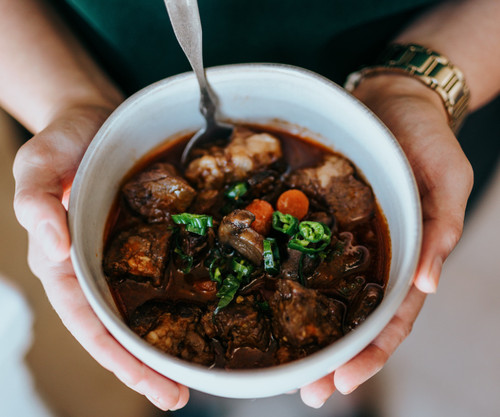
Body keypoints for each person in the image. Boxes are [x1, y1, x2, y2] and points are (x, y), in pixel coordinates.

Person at [1, 0, 498, 411]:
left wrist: (422, 82)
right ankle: (201, 394)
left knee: (363, 340)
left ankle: (334, 371)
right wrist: (67, 99)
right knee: (170, 377)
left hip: (405, 101)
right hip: (88, 62)